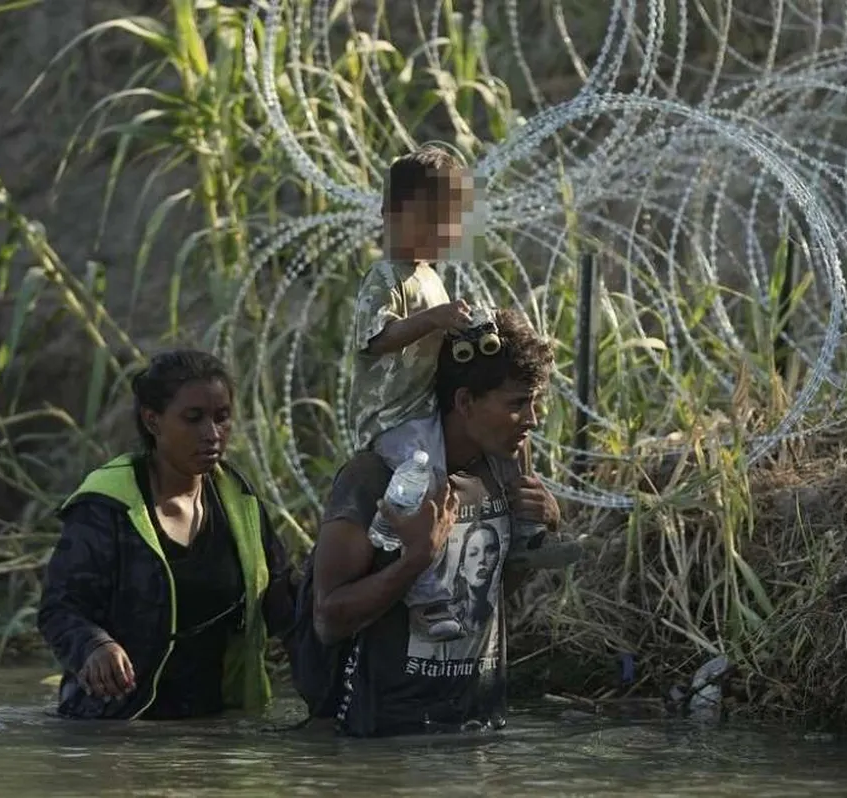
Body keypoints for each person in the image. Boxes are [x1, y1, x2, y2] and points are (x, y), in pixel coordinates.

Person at [313, 307, 562, 737]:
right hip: (388, 737)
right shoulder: (375, 477)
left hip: (480, 727)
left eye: (536, 402)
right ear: (465, 401)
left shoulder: (502, 470)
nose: (533, 419)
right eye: (518, 404)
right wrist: (416, 559)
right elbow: (329, 619)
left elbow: (489, 594)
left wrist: (543, 527)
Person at [37, 350, 295, 720]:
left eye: (222, 418)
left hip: (218, 723)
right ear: (153, 421)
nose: (212, 434)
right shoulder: (108, 505)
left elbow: (280, 596)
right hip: (118, 727)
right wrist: (95, 647)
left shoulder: (238, 499)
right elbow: (58, 609)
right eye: (193, 419)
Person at [348, 143, 478, 643]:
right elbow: (377, 339)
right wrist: (435, 319)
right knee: (423, 479)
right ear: (392, 216)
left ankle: (388, 527)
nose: (442, 234)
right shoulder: (383, 279)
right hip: (391, 415)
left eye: (448, 222)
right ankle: (425, 598)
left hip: (425, 407)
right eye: (430, 220)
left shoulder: (432, 278)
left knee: (448, 479)